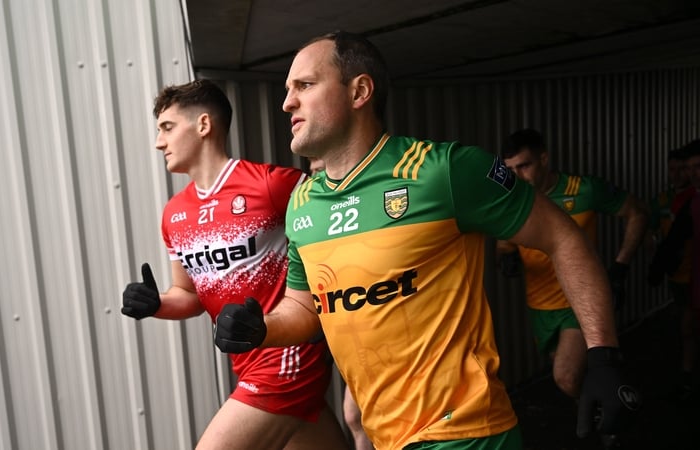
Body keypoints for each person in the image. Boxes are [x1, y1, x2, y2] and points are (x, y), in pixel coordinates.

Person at [212, 31, 641, 450]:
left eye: (304, 85)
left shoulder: (444, 170)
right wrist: (260, 329)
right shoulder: (304, 202)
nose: (288, 101)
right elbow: (305, 306)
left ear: (360, 91)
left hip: (464, 433)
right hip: (388, 435)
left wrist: (603, 356)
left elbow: (563, 237)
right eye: (289, 89)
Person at [121, 79, 349, 450]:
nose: (158, 142)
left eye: (167, 128)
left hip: (288, 359)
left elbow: (340, 210)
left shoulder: (271, 185)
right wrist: (156, 304)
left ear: (204, 125)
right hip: (246, 364)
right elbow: (189, 296)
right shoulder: (173, 214)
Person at [496, 128, 649, 401]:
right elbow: (505, 239)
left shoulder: (584, 190)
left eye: (525, 166)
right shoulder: (512, 199)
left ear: (544, 159)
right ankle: (607, 404)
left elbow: (636, 213)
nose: (518, 176)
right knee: (575, 374)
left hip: (578, 302)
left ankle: (606, 420)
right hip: (540, 307)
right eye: (511, 169)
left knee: (565, 376)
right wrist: (506, 253)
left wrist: (620, 266)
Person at [308, 156, 375, 450]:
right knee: (355, 416)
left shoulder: (367, 206)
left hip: (377, 330)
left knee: (359, 415)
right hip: (343, 332)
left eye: (321, 171)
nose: (316, 180)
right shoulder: (310, 212)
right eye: (312, 173)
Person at [650, 139, 700, 400]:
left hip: (691, 272)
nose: (687, 173)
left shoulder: (691, 198)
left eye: (691, 167)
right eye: (679, 169)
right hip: (681, 275)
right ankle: (687, 373)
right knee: (687, 324)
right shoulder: (667, 199)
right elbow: (656, 230)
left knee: (688, 324)